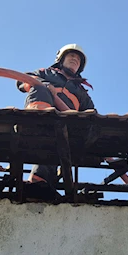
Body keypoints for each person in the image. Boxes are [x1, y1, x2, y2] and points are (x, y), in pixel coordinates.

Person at [16, 44, 95, 190]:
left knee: (51, 152)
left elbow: (92, 114)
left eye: (78, 59)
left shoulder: (81, 92)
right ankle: (35, 118)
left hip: (64, 125)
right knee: (39, 87)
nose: (75, 59)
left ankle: (40, 184)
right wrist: (44, 85)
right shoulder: (46, 73)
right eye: (71, 55)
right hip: (40, 119)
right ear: (61, 59)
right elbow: (22, 80)